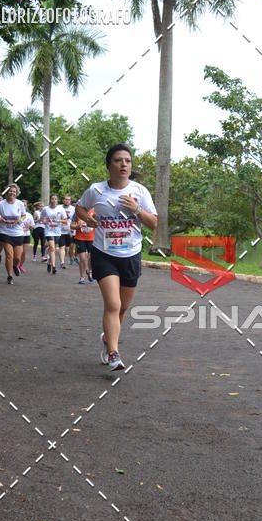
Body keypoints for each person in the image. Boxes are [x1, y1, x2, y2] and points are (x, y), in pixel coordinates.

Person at [76, 143, 157, 371]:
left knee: (122, 308)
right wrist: (88, 219)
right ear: (109, 165)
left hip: (131, 255)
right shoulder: (96, 190)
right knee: (113, 303)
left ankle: (107, 340)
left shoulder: (140, 192)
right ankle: (113, 353)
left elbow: (154, 224)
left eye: (128, 161)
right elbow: (79, 208)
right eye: (118, 160)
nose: (124, 164)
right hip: (104, 254)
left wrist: (136, 210)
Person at [0, 185, 26, 284]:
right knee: (9, 255)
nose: (12, 193)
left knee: (17, 257)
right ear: (7, 192)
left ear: (16, 193)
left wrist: (20, 219)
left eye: (14, 191)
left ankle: (15, 266)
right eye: (10, 191)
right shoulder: (1, 204)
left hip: (18, 233)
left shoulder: (20, 204)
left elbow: (24, 215)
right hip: (5, 232)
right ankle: (10, 276)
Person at [40, 193, 66, 274]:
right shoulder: (45, 209)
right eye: (52, 199)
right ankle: (54, 267)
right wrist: (44, 221)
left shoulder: (61, 209)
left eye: (55, 199)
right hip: (48, 231)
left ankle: (49, 263)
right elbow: (42, 218)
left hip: (57, 231)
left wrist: (59, 221)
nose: (54, 200)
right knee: (52, 247)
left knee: (53, 248)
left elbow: (65, 220)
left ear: (57, 200)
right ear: (50, 200)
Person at [71, 206, 95, 284]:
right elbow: (71, 226)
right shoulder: (77, 212)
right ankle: (82, 277)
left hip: (92, 238)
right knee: (83, 259)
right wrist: (77, 226)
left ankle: (90, 272)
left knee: (91, 257)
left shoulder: (94, 211)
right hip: (80, 238)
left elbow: (98, 224)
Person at [58, 194, 73, 269]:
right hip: (59, 231)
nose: (67, 201)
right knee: (62, 247)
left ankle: (64, 258)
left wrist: (72, 229)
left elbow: (74, 220)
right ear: (63, 200)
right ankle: (62, 262)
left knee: (67, 248)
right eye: (66, 199)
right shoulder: (59, 208)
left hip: (69, 230)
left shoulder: (73, 209)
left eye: (68, 199)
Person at [20, 207, 35, 272]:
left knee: (24, 252)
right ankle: (15, 264)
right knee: (18, 252)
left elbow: (33, 227)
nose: (23, 207)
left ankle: (20, 265)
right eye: (22, 205)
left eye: (25, 205)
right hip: (18, 235)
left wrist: (29, 225)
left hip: (26, 235)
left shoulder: (29, 215)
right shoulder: (16, 214)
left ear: (26, 207)